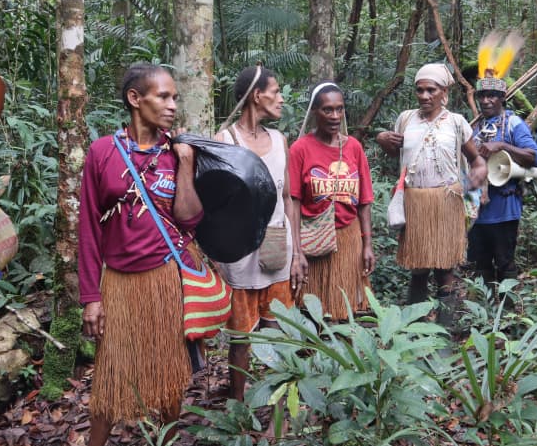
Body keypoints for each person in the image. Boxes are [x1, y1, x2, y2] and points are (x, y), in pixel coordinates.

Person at [77, 64, 203, 446]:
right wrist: (91, 298)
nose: (171, 105)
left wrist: (185, 162)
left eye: (174, 98)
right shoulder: (102, 152)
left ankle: (165, 439)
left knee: (169, 379)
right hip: (117, 283)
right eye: (163, 96)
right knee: (109, 380)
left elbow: (190, 219)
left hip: (166, 279)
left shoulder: (177, 150)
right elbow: (88, 228)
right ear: (135, 99)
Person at [213, 64, 307, 401]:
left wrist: (297, 252)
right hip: (241, 252)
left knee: (277, 328)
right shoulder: (225, 141)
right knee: (241, 336)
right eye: (276, 91)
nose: (281, 99)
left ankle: (277, 404)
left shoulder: (280, 140)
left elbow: (287, 200)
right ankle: (238, 405)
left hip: (276, 244)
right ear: (257, 96)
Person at [375, 63, 487, 326]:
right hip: (416, 202)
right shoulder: (406, 119)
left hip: (447, 201)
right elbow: (395, 153)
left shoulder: (457, 123)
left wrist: (478, 176)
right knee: (418, 266)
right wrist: (382, 139)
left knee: (445, 267)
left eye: (431, 90)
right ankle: (416, 329)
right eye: (420, 90)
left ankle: (445, 330)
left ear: (443, 91)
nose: (424, 96)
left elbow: (477, 160)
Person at [288, 83, 375, 321]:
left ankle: (344, 355)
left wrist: (367, 244)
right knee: (311, 312)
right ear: (315, 111)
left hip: (348, 239)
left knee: (346, 310)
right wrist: (297, 252)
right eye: (328, 110)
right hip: (313, 240)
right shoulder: (300, 149)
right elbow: (293, 202)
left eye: (340, 109)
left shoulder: (354, 148)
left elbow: (364, 201)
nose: (335, 116)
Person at [468, 73, 537, 290]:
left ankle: (507, 313)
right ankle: (486, 311)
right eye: (482, 96)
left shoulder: (513, 123)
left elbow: (535, 156)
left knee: (504, 260)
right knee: (480, 261)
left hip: (504, 208)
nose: (485, 101)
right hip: (477, 208)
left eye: (492, 96)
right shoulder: (474, 126)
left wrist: (503, 146)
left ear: (502, 98)